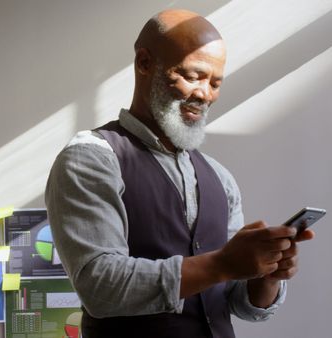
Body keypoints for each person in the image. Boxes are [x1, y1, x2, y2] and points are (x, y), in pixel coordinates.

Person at [45, 9, 314, 338]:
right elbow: (100, 286)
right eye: (193, 75)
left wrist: (266, 273)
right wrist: (222, 264)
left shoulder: (219, 177)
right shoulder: (91, 158)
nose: (204, 94)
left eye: (215, 83)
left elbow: (240, 305)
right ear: (145, 63)